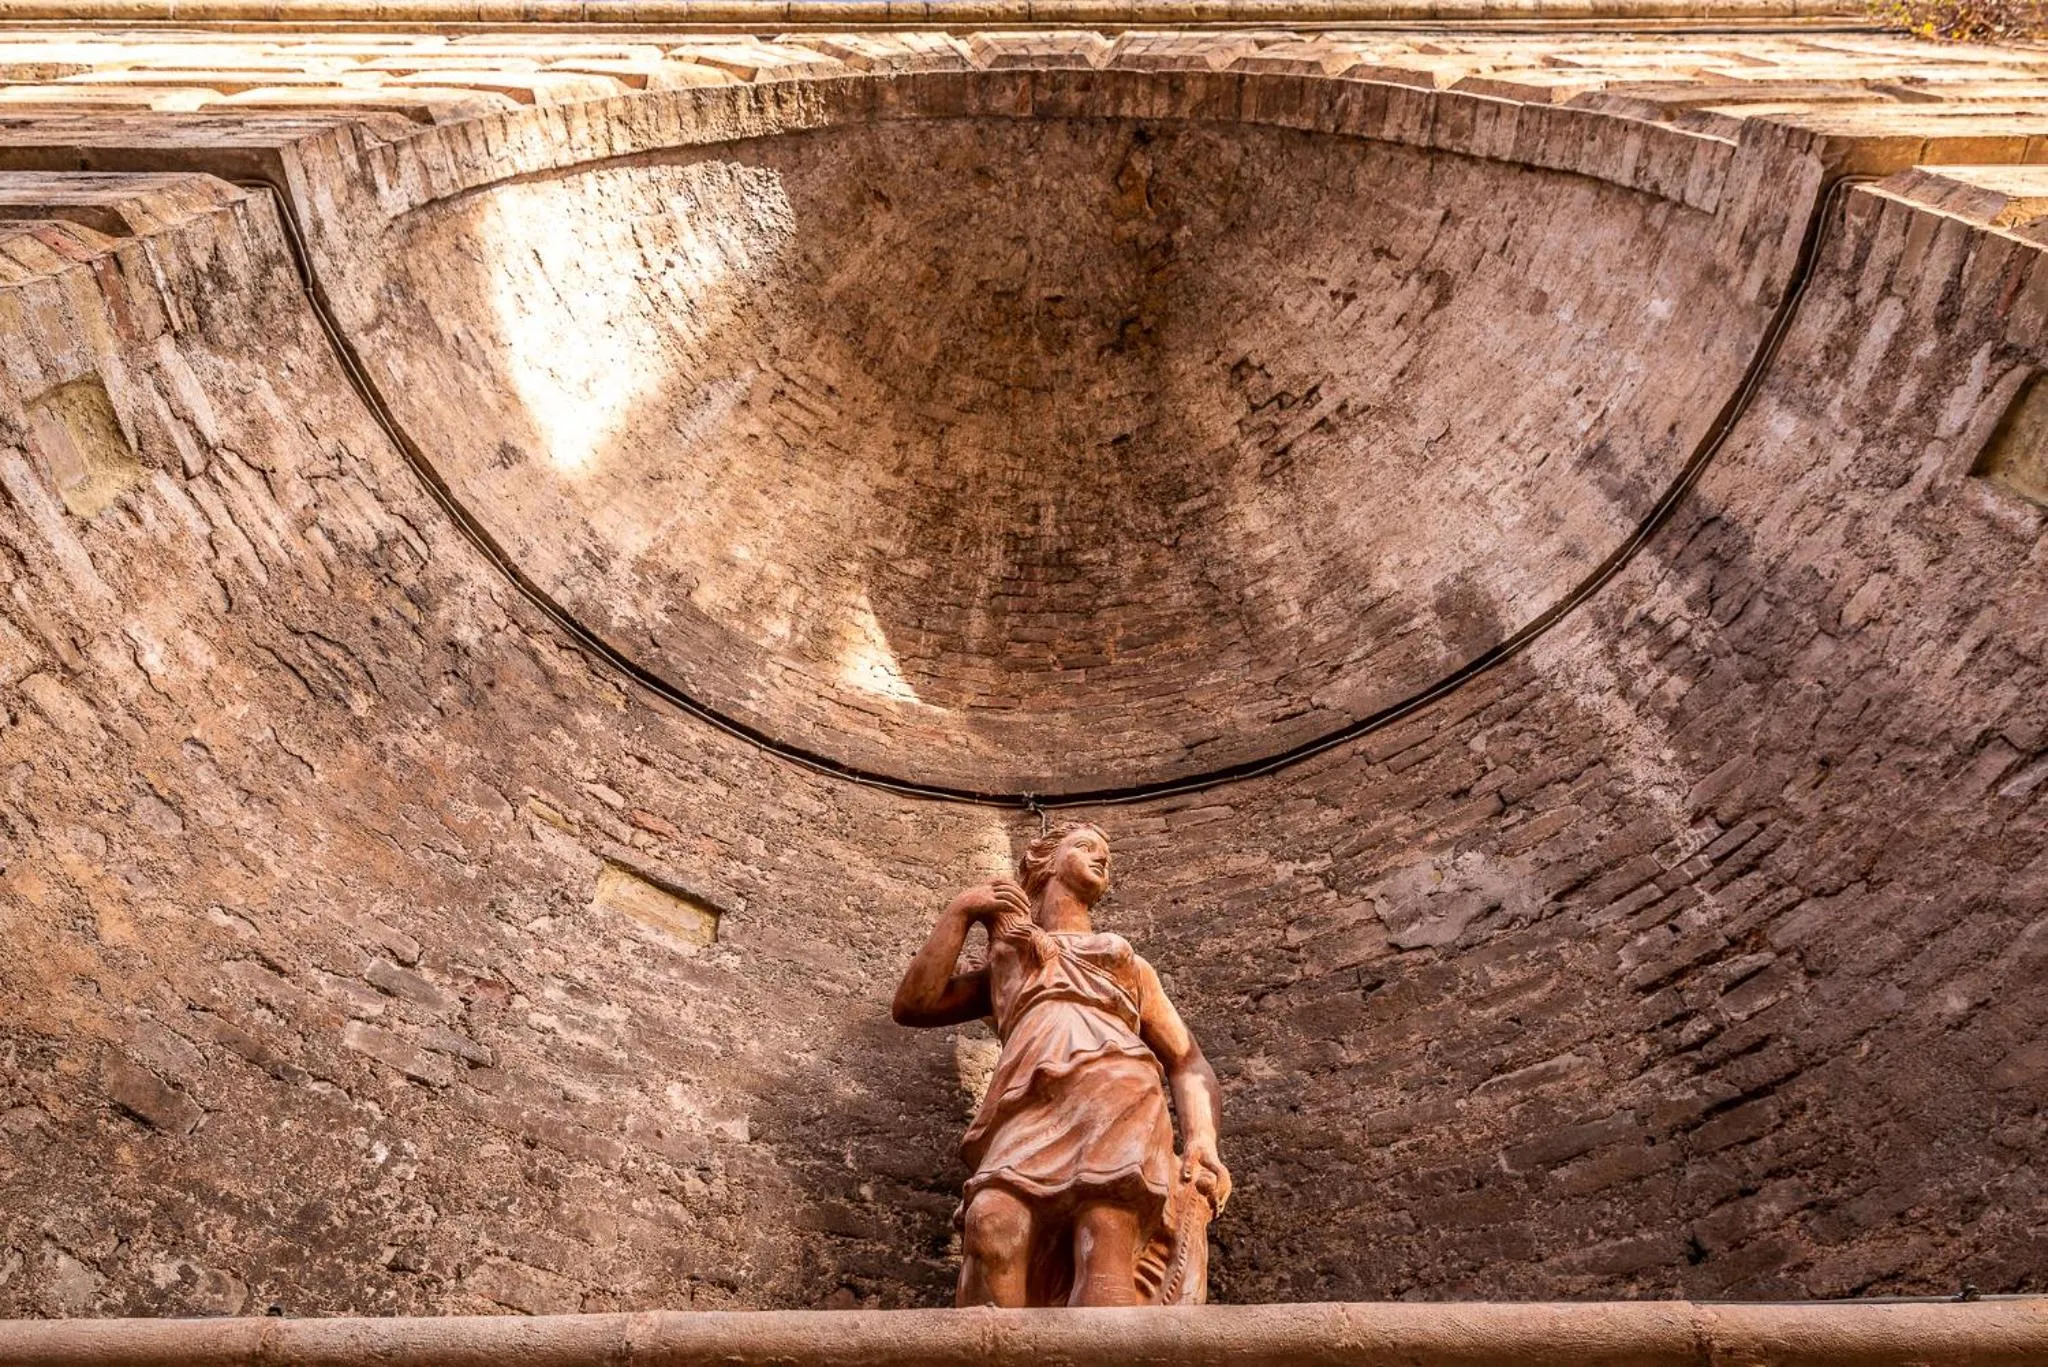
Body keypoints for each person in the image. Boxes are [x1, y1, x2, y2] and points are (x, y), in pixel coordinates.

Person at [891, 820, 1231, 1307]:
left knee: (1106, 1248)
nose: (1102, 859)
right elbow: (914, 1005)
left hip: (1120, 1092)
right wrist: (964, 909)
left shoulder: (1124, 959)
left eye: (1106, 855)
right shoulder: (1009, 955)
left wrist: (1202, 1139)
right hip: (1028, 1100)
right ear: (1047, 860)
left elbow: (1186, 1059)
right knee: (991, 1224)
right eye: (1086, 847)